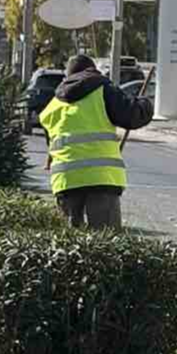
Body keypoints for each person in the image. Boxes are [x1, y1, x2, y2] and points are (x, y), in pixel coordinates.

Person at [39, 54, 153, 229]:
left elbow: (52, 147)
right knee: (105, 238)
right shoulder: (103, 89)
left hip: (65, 181)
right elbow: (131, 116)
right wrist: (145, 104)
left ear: (67, 77)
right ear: (92, 70)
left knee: (71, 240)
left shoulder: (52, 106)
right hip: (101, 179)